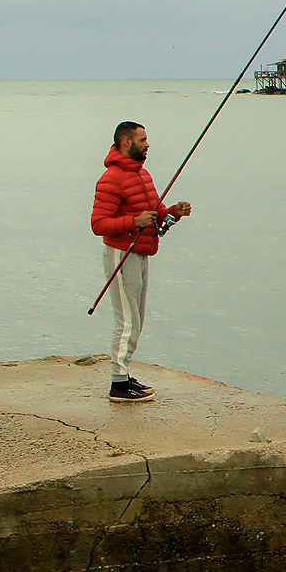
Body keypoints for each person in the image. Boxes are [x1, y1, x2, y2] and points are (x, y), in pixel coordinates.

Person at [91, 121, 193, 402]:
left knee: (137, 319)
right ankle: (118, 385)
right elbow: (98, 224)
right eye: (142, 140)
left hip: (142, 252)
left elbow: (156, 212)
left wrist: (174, 211)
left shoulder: (142, 175)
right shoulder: (111, 178)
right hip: (120, 254)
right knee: (126, 320)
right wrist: (133, 221)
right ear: (126, 142)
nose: (148, 145)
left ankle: (123, 375)